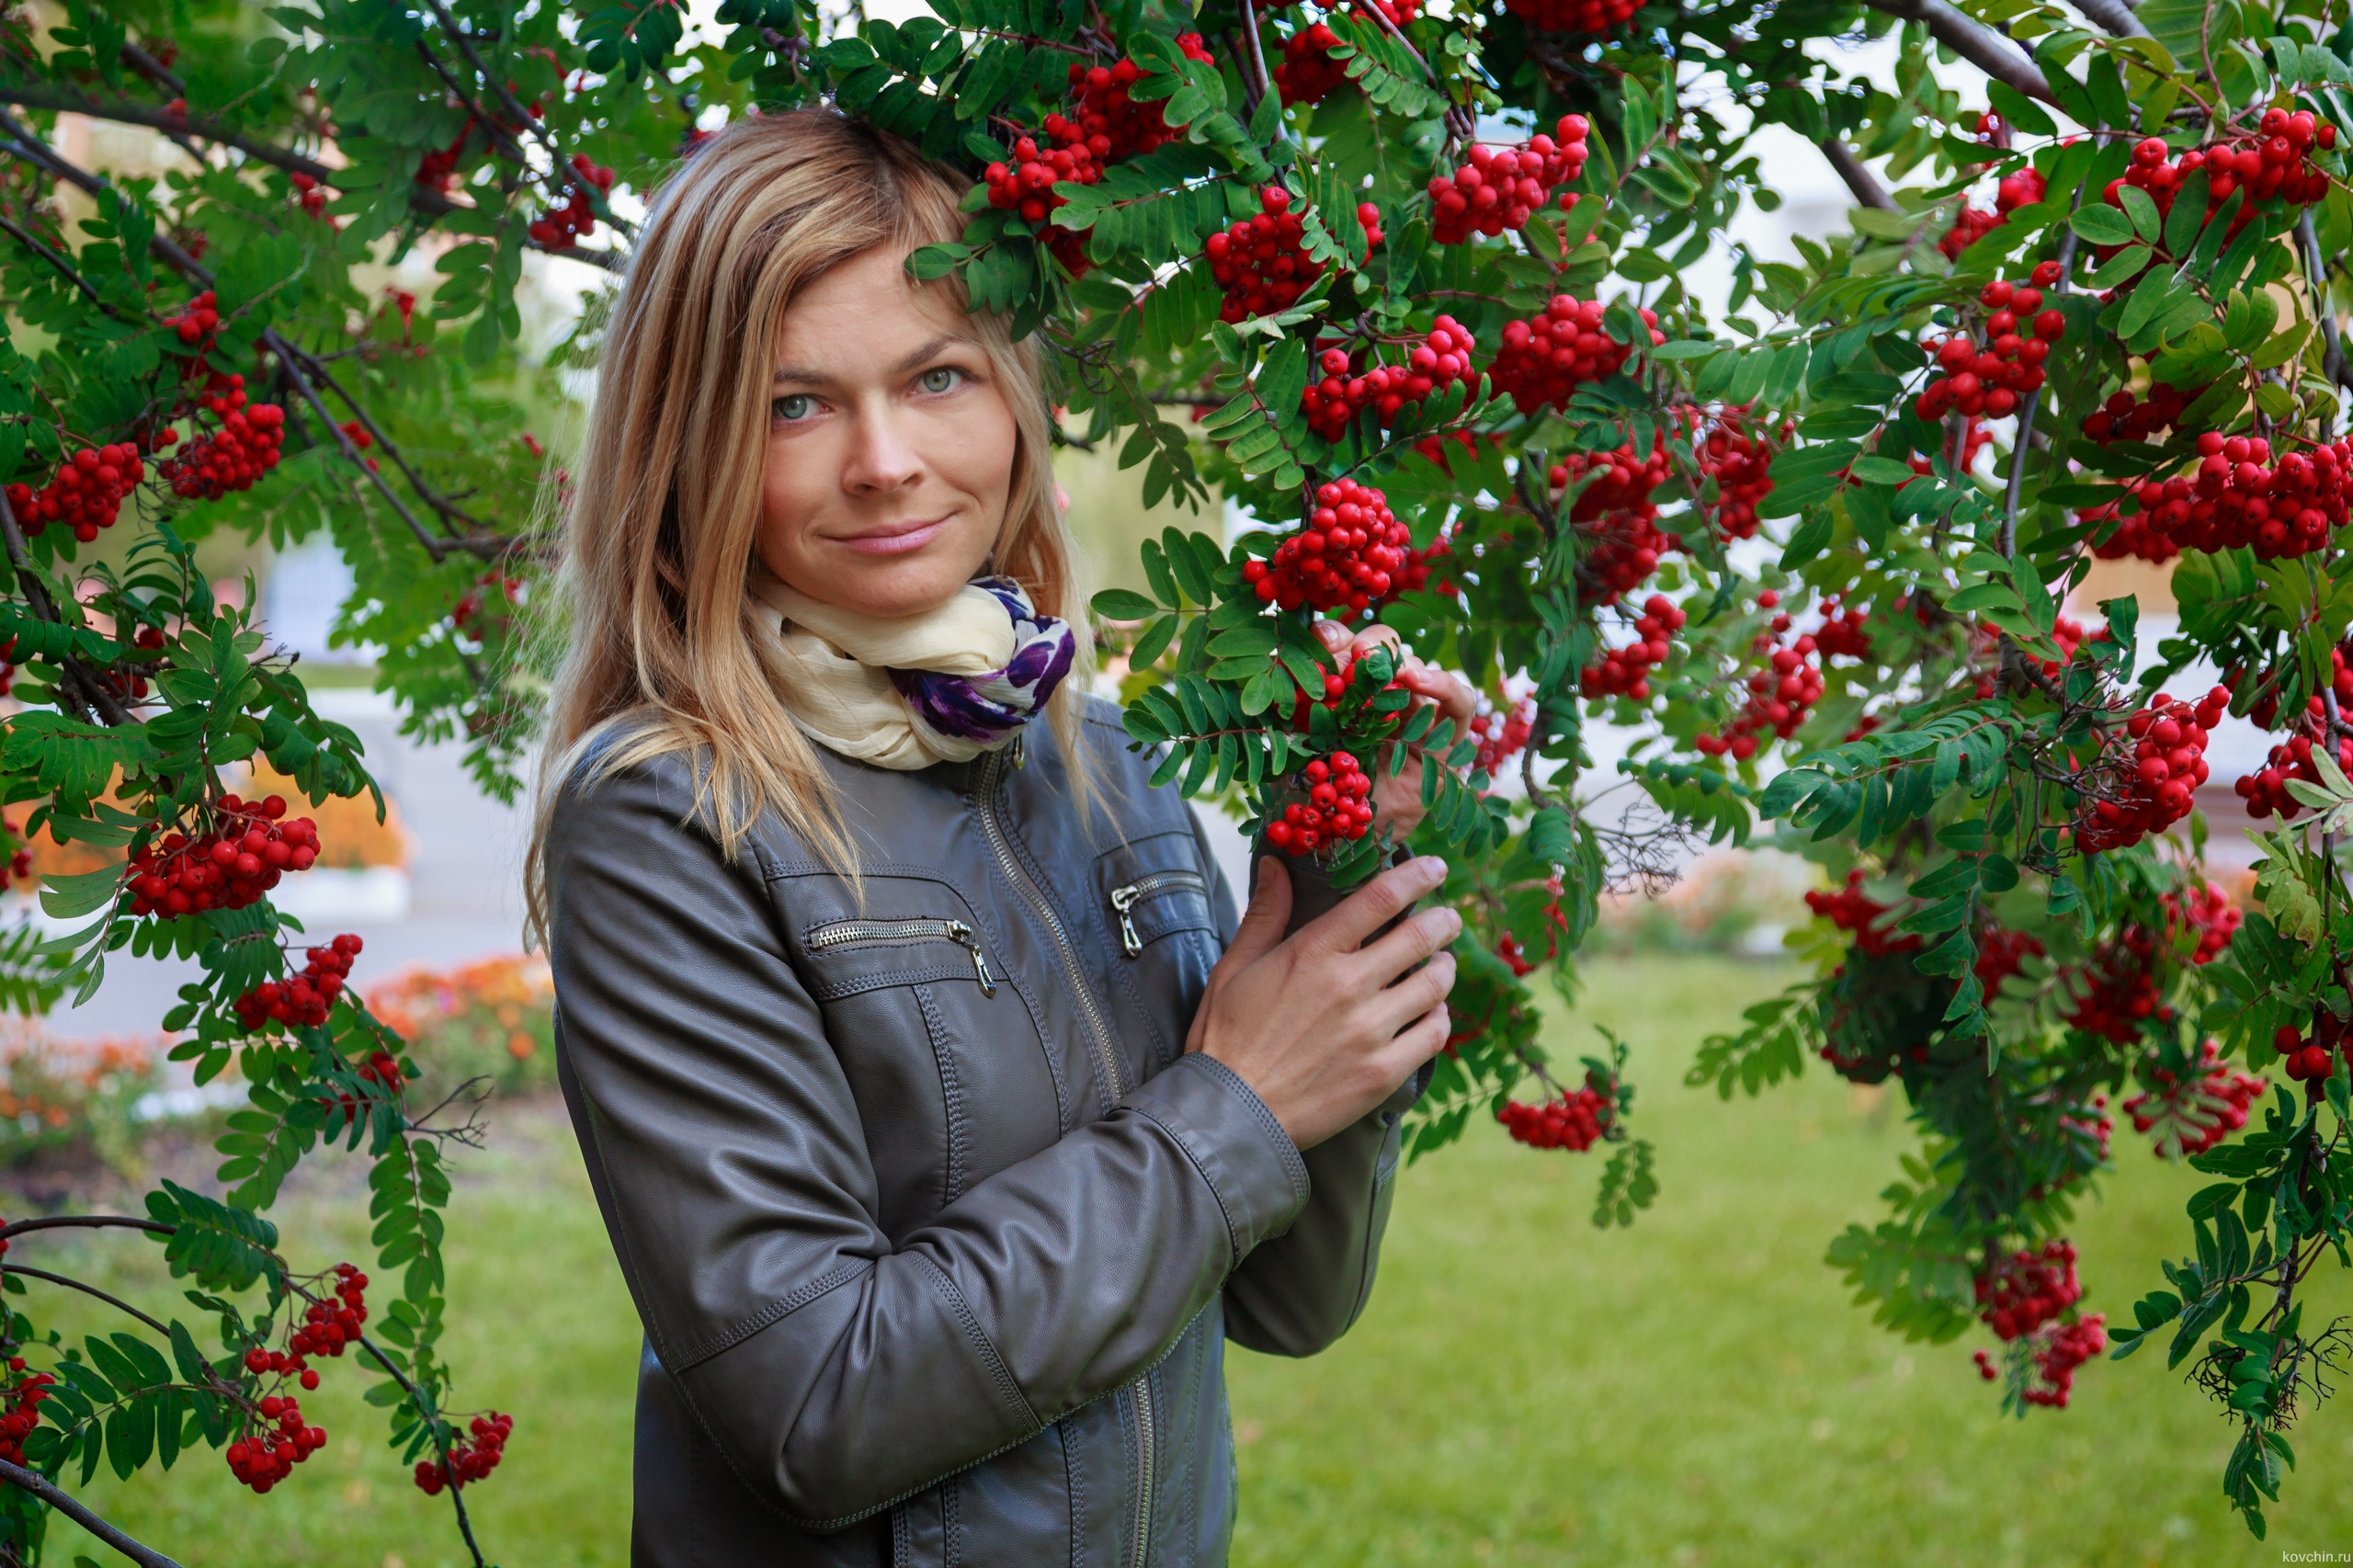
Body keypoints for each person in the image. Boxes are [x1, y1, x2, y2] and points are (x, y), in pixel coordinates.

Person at [529, 106, 1474, 1567]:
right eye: (795, 404)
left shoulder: (1102, 759)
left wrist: (1340, 867)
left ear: (1015, 401)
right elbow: (815, 1408)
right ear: (692, 444)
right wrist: (1238, 1104)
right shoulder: (669, 814)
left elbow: (1290, 1301)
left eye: (939, 376)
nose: (887, 459)